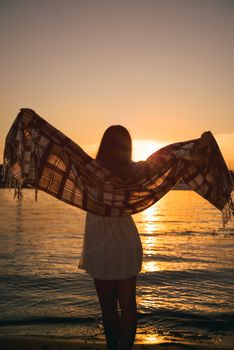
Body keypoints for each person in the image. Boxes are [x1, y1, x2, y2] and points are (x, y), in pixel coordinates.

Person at [79, 125, 143, 350]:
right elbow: (167, 164)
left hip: (99, 244)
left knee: (108, 308)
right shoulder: (134, 172)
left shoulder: (89, 171)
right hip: (125, 242)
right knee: (128, 306)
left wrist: (33, 124)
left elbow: (61, 154)